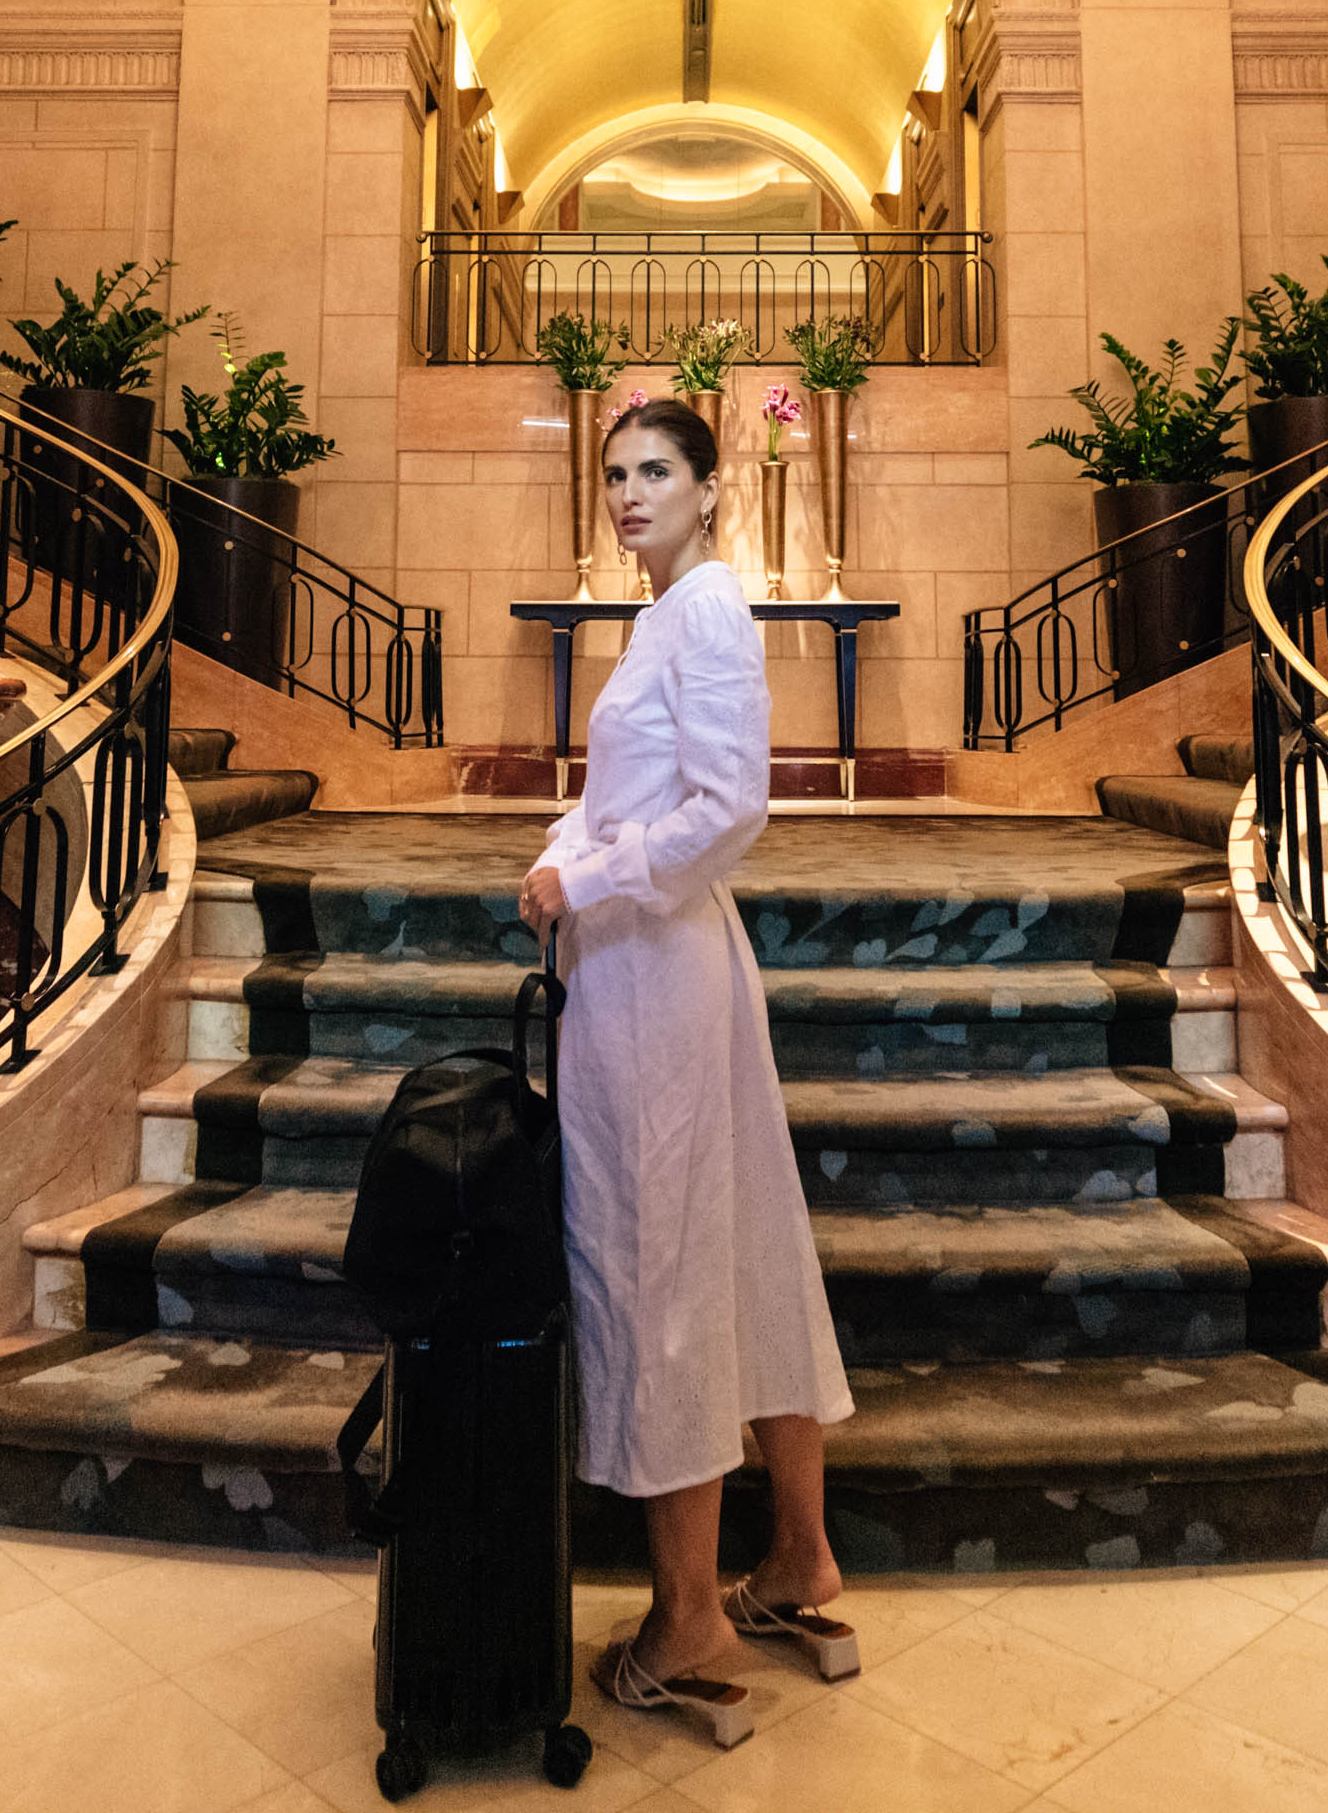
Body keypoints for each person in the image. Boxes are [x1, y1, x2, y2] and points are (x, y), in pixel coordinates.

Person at [515, 399, 856, 1751]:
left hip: (659, 973)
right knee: (747, 1246)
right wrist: (565, 848)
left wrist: (582, 877)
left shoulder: (705, 610)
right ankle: (799, 1562)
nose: (628, 492)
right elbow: (625, 800)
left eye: (655, 471)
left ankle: (688, 1620)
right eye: (613, 473)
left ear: (715, 492)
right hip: (658, 959)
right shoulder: (661, 618)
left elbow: (730, 810)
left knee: (658, 1259)